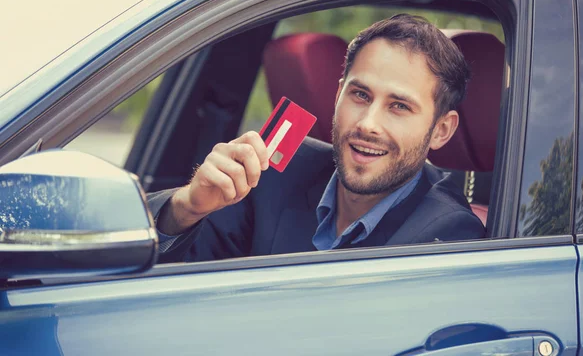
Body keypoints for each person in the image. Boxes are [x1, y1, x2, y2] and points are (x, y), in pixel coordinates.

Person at [149, 14, 486, 263]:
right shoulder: (273, 169)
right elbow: (177, 281)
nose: (368, 124)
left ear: (441, 130)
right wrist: (187, 206)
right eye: (360, 95)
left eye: (398, 106)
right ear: (338, 95)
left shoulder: (450, 237)